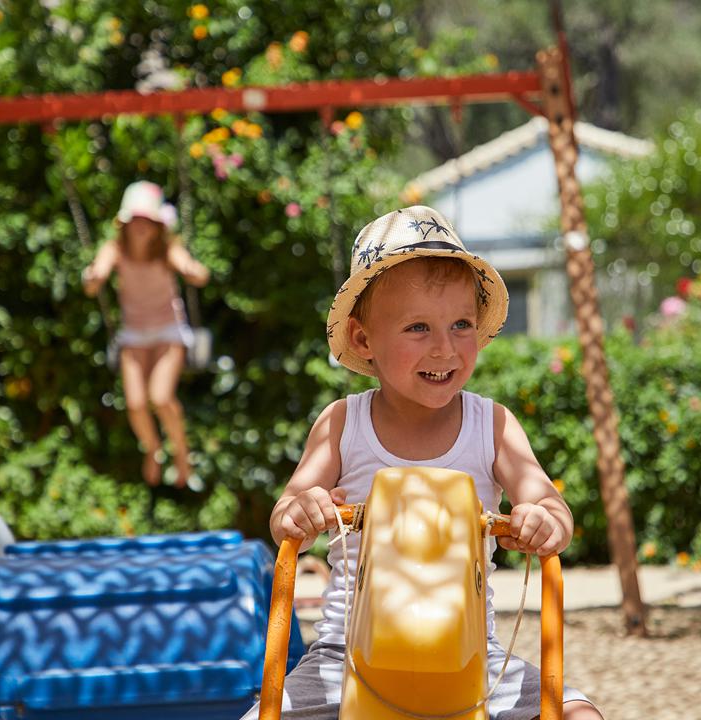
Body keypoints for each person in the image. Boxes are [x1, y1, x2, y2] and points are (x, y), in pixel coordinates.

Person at [243, 206, 602, 719]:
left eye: (461, 324)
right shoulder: (343, 424)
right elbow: (286, 512)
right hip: (347, 653)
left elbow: (548, 501)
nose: (444, 348)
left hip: (470, 651)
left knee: (578, 713)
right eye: (418, 327)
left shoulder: (492, 426)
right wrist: (303, 510)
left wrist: (544, 520)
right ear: (365, 340)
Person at [82, 181, 209, 489]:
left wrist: (192, 270)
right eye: (135, 220)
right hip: (133, 333)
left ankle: (181, 453)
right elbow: (93, 279)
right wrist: (94, 277)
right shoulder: (114, 249)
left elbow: (197, 273)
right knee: (136, 403)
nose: (141, 226)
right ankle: (153, 448)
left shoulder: (168, 249)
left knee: (161, 397)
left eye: (147, 221)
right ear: (125, 224)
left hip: (168, 330)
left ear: (157, 226)